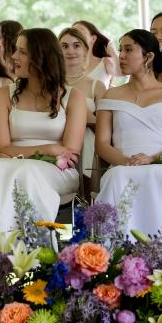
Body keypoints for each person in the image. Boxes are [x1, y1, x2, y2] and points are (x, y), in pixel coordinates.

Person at [0, 28, 86, 237]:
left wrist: (17, 154)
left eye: (22, 52)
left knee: (22, 172)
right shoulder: (4, 95)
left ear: (41, 57)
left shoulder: (73, 97)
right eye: (15, 51)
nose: (14, 57)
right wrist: (49, 148)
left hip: (57, 171)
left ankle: (37, 245)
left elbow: (69, 154)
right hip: (9, 165)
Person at [95, 29, 162, 238]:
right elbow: (101, 144)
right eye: (121, 50)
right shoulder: (111, 94)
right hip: (122, 165)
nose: (121, 55)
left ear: (148, 56)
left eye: (128, 50)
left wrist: (153, 158)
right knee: (117, 176)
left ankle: (160, 248)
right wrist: (126, 161)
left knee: (156, 174)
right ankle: (115, 252)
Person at [58, 27, 106, 197]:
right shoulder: (51, 84)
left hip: (88, 144)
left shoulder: (96, 86)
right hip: (58, 140)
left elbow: (105, 126)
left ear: (86, 50)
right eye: (64, 46)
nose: (70, 51)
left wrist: (81, 112)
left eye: (76, 45)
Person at [72, 20, 120, 88]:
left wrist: (110, 46)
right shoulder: (70, 65)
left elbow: (121, 72)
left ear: (93, 38)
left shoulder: (105, 62)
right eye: (73, 32)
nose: (76, 35)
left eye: (80, 31)